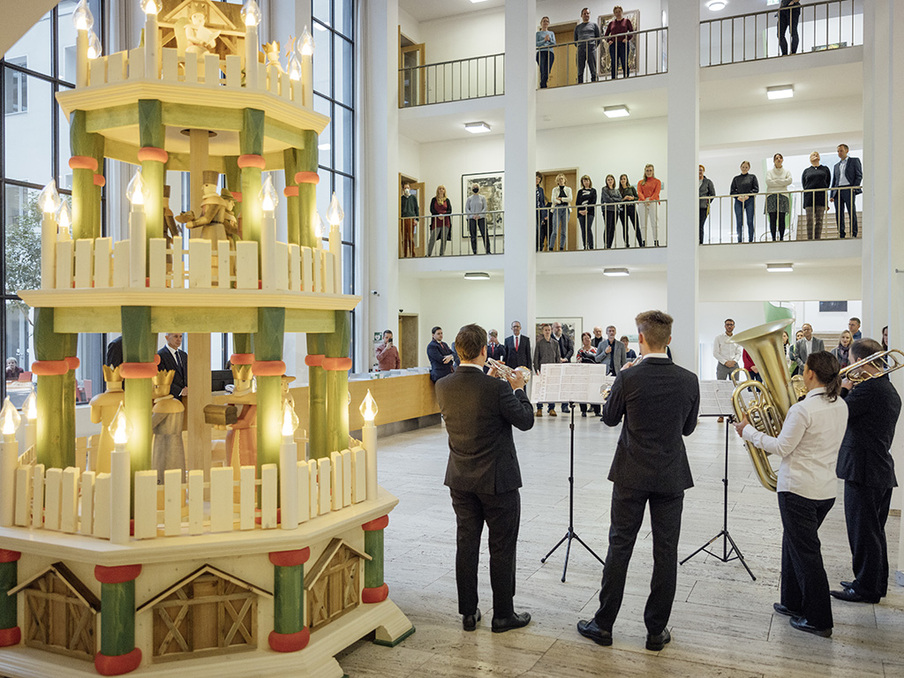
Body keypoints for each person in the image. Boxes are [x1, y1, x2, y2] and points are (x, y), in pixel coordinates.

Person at [577, 310, 700, 651]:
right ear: (669, 341)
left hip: (631, 473)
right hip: (671, 475)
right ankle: (655, 632)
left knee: (620, 546)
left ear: (641, 339)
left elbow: (609, 418)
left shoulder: (629, 377)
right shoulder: (689, 379)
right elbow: (688, 429)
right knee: (666, 552)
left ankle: (603, 625)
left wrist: (619, 382)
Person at [734, 351, 847, 638]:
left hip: (798, 490)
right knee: (794, 544)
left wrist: (748, 431)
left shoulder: (803, 410)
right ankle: (792, 602)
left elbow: (782, 447)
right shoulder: (840, 405)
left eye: (805, 369)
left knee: (807, 554)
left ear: (810, 374)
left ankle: (818, 619)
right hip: (825, 490)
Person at [435, 324, 534, 634]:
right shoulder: (498, 388)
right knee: (501, 546)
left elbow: (474, 403)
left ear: (457, 349)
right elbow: (526, 420)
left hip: (460, 479)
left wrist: (493, 385)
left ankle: (468, 612)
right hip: (497, 481)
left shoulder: (444, 385)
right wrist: (518, 388)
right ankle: (503, 615)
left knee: (466, 543)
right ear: (484, 351)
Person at [833, 338, 902, 605]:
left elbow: (838, 415)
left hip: (864, 470)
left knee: (863, 533)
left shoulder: (870, 389)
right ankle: (871, 582)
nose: (849, 368)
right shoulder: (885, 387)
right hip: (876, 470)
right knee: (873, 533)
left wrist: (843, 389)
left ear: (861, 362)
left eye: (850, 362)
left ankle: (865, 588)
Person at [830, 144, 863, 239]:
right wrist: (832, 194)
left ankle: (853, 232)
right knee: (839, 214)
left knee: (851, 211)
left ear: (847, 150)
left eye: (841, 150)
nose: (839, 153)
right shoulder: (836, 166)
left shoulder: (854, 161)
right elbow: (834, 181)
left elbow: (859, 175)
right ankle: (841, 233)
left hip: (849, 189)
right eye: (838, 151)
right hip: (838, 190)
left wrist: (854, 187)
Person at [713, 319, 742, 423]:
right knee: (721, 389)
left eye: (731, 325)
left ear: (734, 326)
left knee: (735, 390)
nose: (729, 326)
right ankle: (721, 415)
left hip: (734, 365)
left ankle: (733, 415)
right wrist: (725, 362)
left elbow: (739, 352)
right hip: (722, 365)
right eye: (727, 325)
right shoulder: (719, 338)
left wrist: (734, 361)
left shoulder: (737, 338)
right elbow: (715, 353)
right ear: (724, 326)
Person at [534, 323, 562, 416]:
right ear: (543, 331)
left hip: (553, 370)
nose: (547, 332)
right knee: (540, 390)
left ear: (551, 331)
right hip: (542, 370)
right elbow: (536, 358)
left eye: (549, 330)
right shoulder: (539, 344)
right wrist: (537, 369)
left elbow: (558, 357)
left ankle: (551, 408)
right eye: (545, 330)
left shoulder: (555, 343)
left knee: (551, 390)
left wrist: (559, 369)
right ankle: (539, 408)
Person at [802, 151, 831, 240]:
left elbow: (827, 183)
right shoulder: (806, 171)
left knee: (819, 220)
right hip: (809, 198)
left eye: (817, 154)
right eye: (813, 155)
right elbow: (804, 184)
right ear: (810, 159)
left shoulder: (825, 169)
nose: (815, 155)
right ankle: (810, 239)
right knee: (809, 220)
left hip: (821, 197)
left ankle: (817, 239)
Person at [765, 153, 793, 241]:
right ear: (774, 160)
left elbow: (789, 181)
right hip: (771, 196)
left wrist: (776, 181)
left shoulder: (787, 171)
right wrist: (782, 181)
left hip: (783, 196)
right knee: (772, 218)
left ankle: (781, 237)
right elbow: (768, 182)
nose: (778, 159)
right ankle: (773, 238)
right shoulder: (769, 172)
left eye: (780, 158)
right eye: (776, 158)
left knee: (782, 218)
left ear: (782, 160)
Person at [730, 161, 758, 243]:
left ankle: (750, 239)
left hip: (749, 200)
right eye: (743, 167)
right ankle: (739, 240)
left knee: (750, 220)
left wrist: (748, 195)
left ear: (749, 168)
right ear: (740, 167)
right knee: (739, 221)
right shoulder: (736, 178)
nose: (744, 168)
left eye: (746, 167)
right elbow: (732, 191)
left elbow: (756, 189)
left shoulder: (752, 177)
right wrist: (738, 197)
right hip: (739, 201)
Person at [605, 6, 633, 79]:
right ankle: (614, 78)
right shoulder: (611, 23)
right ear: (614, 13)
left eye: (619, 11)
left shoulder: (626, 21)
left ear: (622, 12)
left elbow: (632, 32)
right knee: (614, 63)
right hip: (614, 45)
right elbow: (606, 34)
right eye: (616, 12)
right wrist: (609, 40)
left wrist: (627, 38)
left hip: (623, 44)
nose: (618, 13)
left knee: (624, 62)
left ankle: (626, 77)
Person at [157, 333, 188, 399]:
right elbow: (162, 379)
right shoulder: (160, 355)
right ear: (167, 338)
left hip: (187, 396)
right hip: (170, 397)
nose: (179, 340)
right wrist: (180, 391)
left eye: (180, 337)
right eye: (175, 336)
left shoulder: (184, 355)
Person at [552, 322, 574, 413]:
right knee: (553, 386)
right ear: (553, 328)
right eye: (557, 327)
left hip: (565, 364)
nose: (559, 329)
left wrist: (565, 358)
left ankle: (564, 406)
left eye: (560, 327)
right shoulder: (550, 338)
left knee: (565, 386)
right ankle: (551, 407)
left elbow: (571, 350)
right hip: (554, 364)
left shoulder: (566, 338)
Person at [637, 164, 662, 247]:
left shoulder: (657, 181)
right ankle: (644, 241)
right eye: (647, 170)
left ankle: (656, 240)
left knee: (654, 222)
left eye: (650, 170)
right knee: (643, 223)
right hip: (642, 202)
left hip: (653, 202)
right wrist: (644, 200)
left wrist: (650, 200)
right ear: (645, 171)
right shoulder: (640, 182)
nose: (649, 172)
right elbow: (639, 192)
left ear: (653, 171)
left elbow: (656, 192)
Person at [574, 7, 600, 84]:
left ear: (589, 15)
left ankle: (594, 83)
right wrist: (580, 45)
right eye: (584, 13)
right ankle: (580, 84)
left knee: (593, 68)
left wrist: (594, 46)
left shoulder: (594, 25)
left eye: (587, 13)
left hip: (591, 47)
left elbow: (598, 38)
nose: (586, 15)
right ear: (581, 15)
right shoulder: (577, 27)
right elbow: (575, 40)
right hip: (581, 48)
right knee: (580, 69)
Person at [576, 332, 598, 417]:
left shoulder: (595, 350)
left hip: (593, 374)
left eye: (588, 338)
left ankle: (597, 410)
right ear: (582, 341)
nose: (587, 340)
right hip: (583, 374)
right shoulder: (580, 351)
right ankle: (583, 411)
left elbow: (598, 361)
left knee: (594, 392)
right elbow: (578, 361)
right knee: (583, 393)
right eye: (585, 339)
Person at [618, 174, 642, 247]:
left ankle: (641, 244)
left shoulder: (631, 188)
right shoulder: (618, 190)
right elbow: (618, 201)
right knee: (625, 227)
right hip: (623, 209)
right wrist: (624, 199)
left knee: (636, 226)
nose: (623, 180)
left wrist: (632, 198)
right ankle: (626, 244)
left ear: (626, 180)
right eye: (621, 179)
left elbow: (637, 197)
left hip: (631, 208)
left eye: (624, 179)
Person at [427, 185, 452, 257]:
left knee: (444, 239)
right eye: (440, 189)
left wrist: (443, 215)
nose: (441, 190)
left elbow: (450, 210)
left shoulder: (447, 200)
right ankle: (428, 254)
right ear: (437, 190)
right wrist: (438, 214)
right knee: (432, 238)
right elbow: (432, 209)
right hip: (436, 221)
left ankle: (441, 254)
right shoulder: (434, 199)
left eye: (443, 189)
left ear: (444, 191)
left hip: (446, 221)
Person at [465, 183, 490, 254]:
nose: (475, 188)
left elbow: (485, 207)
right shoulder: (469, 198)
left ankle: (488, 250)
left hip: (481, 218)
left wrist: (480, 215)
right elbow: (466, 208)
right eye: (474, 187)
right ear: (472, 189)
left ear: (479, 189)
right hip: (472, 218)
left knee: (484, 234)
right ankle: (475, 251)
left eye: (476, 187)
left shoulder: (482, 198)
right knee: (473, 236)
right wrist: (473, 216)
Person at [550, 174, 572, 252]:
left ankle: (561, 247)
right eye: (559, 179)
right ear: (557, 181)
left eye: (562, 179)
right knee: (555, 230)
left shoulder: (568, 189)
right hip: (557, 209)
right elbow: (553, 200)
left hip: (566, 209)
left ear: (564, 180)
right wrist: (559, 201)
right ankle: (551, 247)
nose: (561, 180)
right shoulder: (555, 189)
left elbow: (570, 199)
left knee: (564, 230)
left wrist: (561, 199)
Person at [575, 175, 597, 250]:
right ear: (582, 182)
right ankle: (585, 246)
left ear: (589, 181)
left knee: (588, 228)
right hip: (581, 213)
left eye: (587, 180)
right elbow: (577, 203)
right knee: (583, 229)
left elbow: (593, 202)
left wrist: (587, 210)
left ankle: (591, 246)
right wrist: (580, 211)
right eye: (584, 181)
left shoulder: (593, 190)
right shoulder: (580, 192)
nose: (586, 182)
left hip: (589, 212)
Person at [600, 174, 621, 248]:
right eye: (608, 180)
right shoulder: (604, 189)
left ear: (614, 180)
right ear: (606, 181)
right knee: (608, 227)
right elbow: (606, 199)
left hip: (615, 210)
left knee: (613, 228)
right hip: (607, 210)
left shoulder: (616, 190)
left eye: (611, 179)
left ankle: (609, 245)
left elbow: (620, 199)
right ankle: (606, 245)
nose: (610, 181)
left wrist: (612, 199)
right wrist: (615, 199)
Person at [536, 16, 556, 89]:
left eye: (547, 21)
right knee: (542, 69)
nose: (545, 22)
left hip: (549, 52)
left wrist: (549, 40)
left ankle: (543, 84)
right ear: (541, 23)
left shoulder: (551, 33)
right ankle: (543, 85)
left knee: (547, 70)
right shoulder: (538, 34)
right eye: (544, 21)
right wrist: (544, 40)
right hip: (541, 52)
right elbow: (536, 44)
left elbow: (554, 43)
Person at [400, 182, 419, 258]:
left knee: (410, 238)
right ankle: (404, 254)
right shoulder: (401, 199)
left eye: (407, 188)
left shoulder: (413, 198)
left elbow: (416, 209)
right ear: (403, 189)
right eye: (405, 188)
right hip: (403, 219)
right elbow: (400, 209)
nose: (406, 189)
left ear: (410, 189)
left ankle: (412, 254)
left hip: (411, 219)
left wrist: (416, 219)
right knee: (404, 238)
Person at [698, 165, 716, 245]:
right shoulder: (693, 181)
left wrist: (707, 201)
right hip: (694, 207)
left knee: (700, 225)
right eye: (698, 170)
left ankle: (700, 242)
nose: (699, 172)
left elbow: (712, 194)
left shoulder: (708, 182)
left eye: (701, 170)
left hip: (704, 207)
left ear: (703, 171)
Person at [536, 172, 550, 251]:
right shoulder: (530, 188)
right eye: (536, 178)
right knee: (535, 230)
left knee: (539, 230)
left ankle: (539, 247)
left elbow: (542, 203)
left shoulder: (540, 189)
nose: (537, 180)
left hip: (539, 212)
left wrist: (544, 214)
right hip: (532, 212)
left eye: (538, 179)